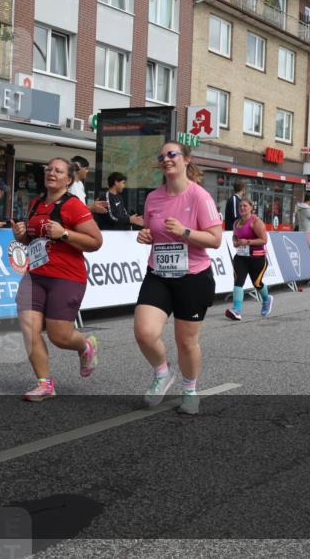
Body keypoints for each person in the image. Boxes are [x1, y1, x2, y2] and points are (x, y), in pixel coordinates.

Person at [134, 141, 223, 415]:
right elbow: (152, 231)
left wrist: (185, 232)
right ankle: (163, 372)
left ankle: (190, 389)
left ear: (186, 159)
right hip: (159, 274)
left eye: (172, 154)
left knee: (186, 342)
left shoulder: (199, 197)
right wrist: (145, 235)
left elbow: (216, 239)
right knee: (144, 332)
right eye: (162, 156)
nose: (166, 159)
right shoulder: (153, 198)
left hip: (193, 277)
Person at [12, 157, 103, 401]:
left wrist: (63, 233)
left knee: (59, 336)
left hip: (66, 277)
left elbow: (96, 242)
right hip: (35, 276)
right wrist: (21, 235)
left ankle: (85, 346)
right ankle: (45, 383)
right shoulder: (35, 203)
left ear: (68, 179)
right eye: (48, 169)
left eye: (58, 171)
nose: (51, 173)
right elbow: (32, 241)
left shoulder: (73, 206)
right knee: (28, 327)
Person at [226, 198, 273, 321]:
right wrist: (235, 242)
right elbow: (235, 237)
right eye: (240, 206)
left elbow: (264, 240)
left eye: (245, 206)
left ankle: (266, 299)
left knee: (257, 283)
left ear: (251, 207)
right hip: (241, 257)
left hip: (257, 258)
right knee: (238, 281)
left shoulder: (256, 222)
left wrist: (247, 242)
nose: (242, 208)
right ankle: (237, 310)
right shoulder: (236, 223)